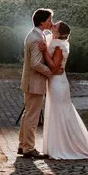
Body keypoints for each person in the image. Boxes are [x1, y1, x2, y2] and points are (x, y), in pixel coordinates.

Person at [40, 21, 88, 160]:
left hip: (58, 83)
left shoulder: (59, 46)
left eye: (55, 26)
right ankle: (55, 145)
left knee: (59, 112)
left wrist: (44, 51)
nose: (52, 25)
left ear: (58, 33)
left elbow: (53, 67)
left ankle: (62, 147)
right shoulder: (54, 41)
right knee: (55, 112)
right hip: (55, 81)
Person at [18, 8, 55, 159]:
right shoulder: (37, 39)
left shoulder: (35, 34)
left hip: (30, 82)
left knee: (28, 115)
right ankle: (29, 148)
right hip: (34, 83)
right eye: (49, 20)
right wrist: (51, 73)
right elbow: (35, 64)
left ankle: (22, 145)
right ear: (42, 21)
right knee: (32, 117)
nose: (51, 23)